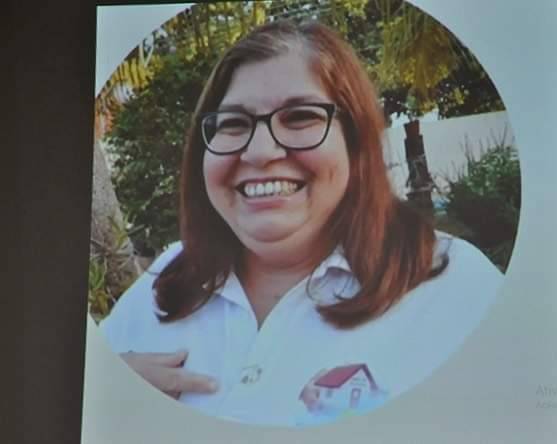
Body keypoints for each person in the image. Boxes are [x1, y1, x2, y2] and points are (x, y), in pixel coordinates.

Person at [100, 19, 503, 427]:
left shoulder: (457, 291)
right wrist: (101, 401)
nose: (260, 152)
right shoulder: (157, 287)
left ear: (355, 141)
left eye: (300, 117)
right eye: (234, 123)